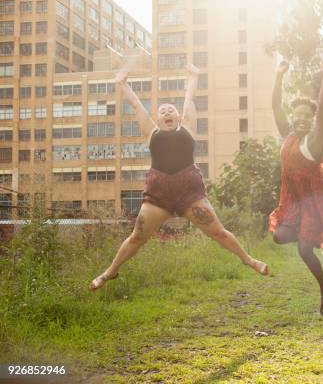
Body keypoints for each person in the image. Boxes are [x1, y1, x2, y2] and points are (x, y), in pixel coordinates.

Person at [89, 64, 269, 290]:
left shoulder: (188, 129)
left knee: (218, 232)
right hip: (159, 196)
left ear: (178, 117)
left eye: (170, 110)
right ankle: (109, 273)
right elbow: (136, 104)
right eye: (162, 110)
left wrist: (193, 76)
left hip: (189, 194)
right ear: (157, 118)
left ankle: (248, 260)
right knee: (137, 237)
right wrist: (122, 84)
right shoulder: (151, 132)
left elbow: (188, 99)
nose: (166, 112)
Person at [269, 59, 323, 316]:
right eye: (297, 114)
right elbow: (275, 105)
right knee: (279, 236)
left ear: (312, 119)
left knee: (303, 249)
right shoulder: (287, 135)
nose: (300, 118)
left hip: (313, 199)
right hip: (292, 198)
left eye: (306, 115)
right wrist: (279, 75)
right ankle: (306, 236)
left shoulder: (315, 139)